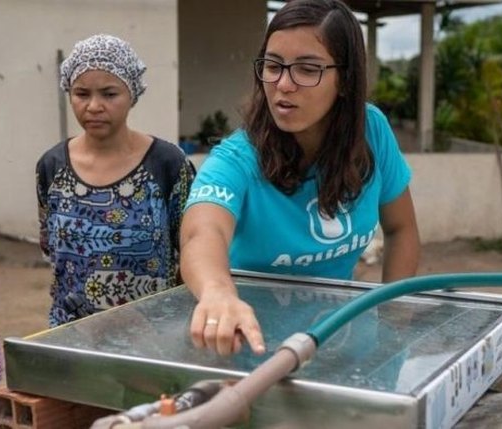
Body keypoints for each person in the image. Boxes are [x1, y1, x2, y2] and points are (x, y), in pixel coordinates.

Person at [180, 0, 421, 356]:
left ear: (345, 79)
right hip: (249, 347)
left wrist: (392, 321)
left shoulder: (372, 131)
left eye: (307, 69)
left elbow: (402, 230)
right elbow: (202, 232)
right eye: (273, 66)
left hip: (340, 340)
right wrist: (218, 292)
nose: (284, 84)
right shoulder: (238, 157)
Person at [36, 34, 195, 327]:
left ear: (132, 93)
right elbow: (51, 249)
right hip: (72, 336)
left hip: (151, 335)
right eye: (82, 94)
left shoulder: (168, 165)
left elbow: (193, 249)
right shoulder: (52, 166)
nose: (94, 106)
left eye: (109, 94)